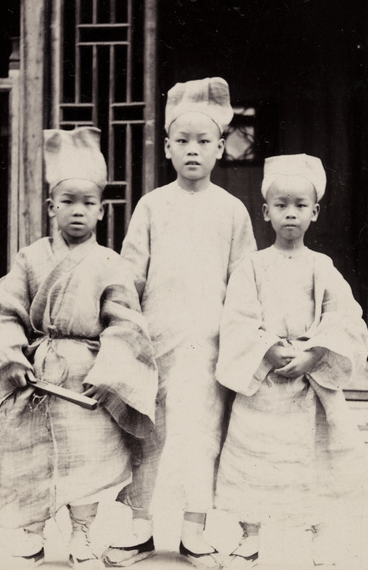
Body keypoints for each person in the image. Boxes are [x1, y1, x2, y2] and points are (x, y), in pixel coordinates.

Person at [0, 127, 158, 570]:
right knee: (30, 454)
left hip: (87, 379)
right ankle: (32, 532)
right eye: (67, 201)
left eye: (88, 203)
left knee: (89, 458)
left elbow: (125, 324)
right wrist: (12, 356)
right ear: (51, 207)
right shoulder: (31, 258)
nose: (77, 211)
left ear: (102, 211)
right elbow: (2, 308)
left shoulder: (111, 263)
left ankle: (83, 531)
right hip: (38, 374)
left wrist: (109, 376)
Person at [102, 77, 256, 570]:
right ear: (167, 146)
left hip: (208, 345)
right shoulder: (152, 205)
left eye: (204, 142)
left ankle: (194, 532)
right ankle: (139, 529)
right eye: (183, 141)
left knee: (203, 434)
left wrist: (239, 339)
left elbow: (245, 282)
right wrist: (127, 329)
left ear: (220, 148)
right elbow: (130, 274)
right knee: (149, 433)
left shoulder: (232, 211)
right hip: (156, 340)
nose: (193, 151)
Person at [214, 154, 368, 569]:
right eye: (282, 205)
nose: (291, 213)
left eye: (300, 206)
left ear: (315, 212)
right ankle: (250, 536)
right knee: (254, 456)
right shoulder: (251, 266)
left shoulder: (320, 266)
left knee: (316, 459)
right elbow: (237, 318)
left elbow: (345, 317)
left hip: (309, 385)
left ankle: (320, 533)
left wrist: (316, 352)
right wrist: (266, 348)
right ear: (265, 211)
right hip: (265, 381)